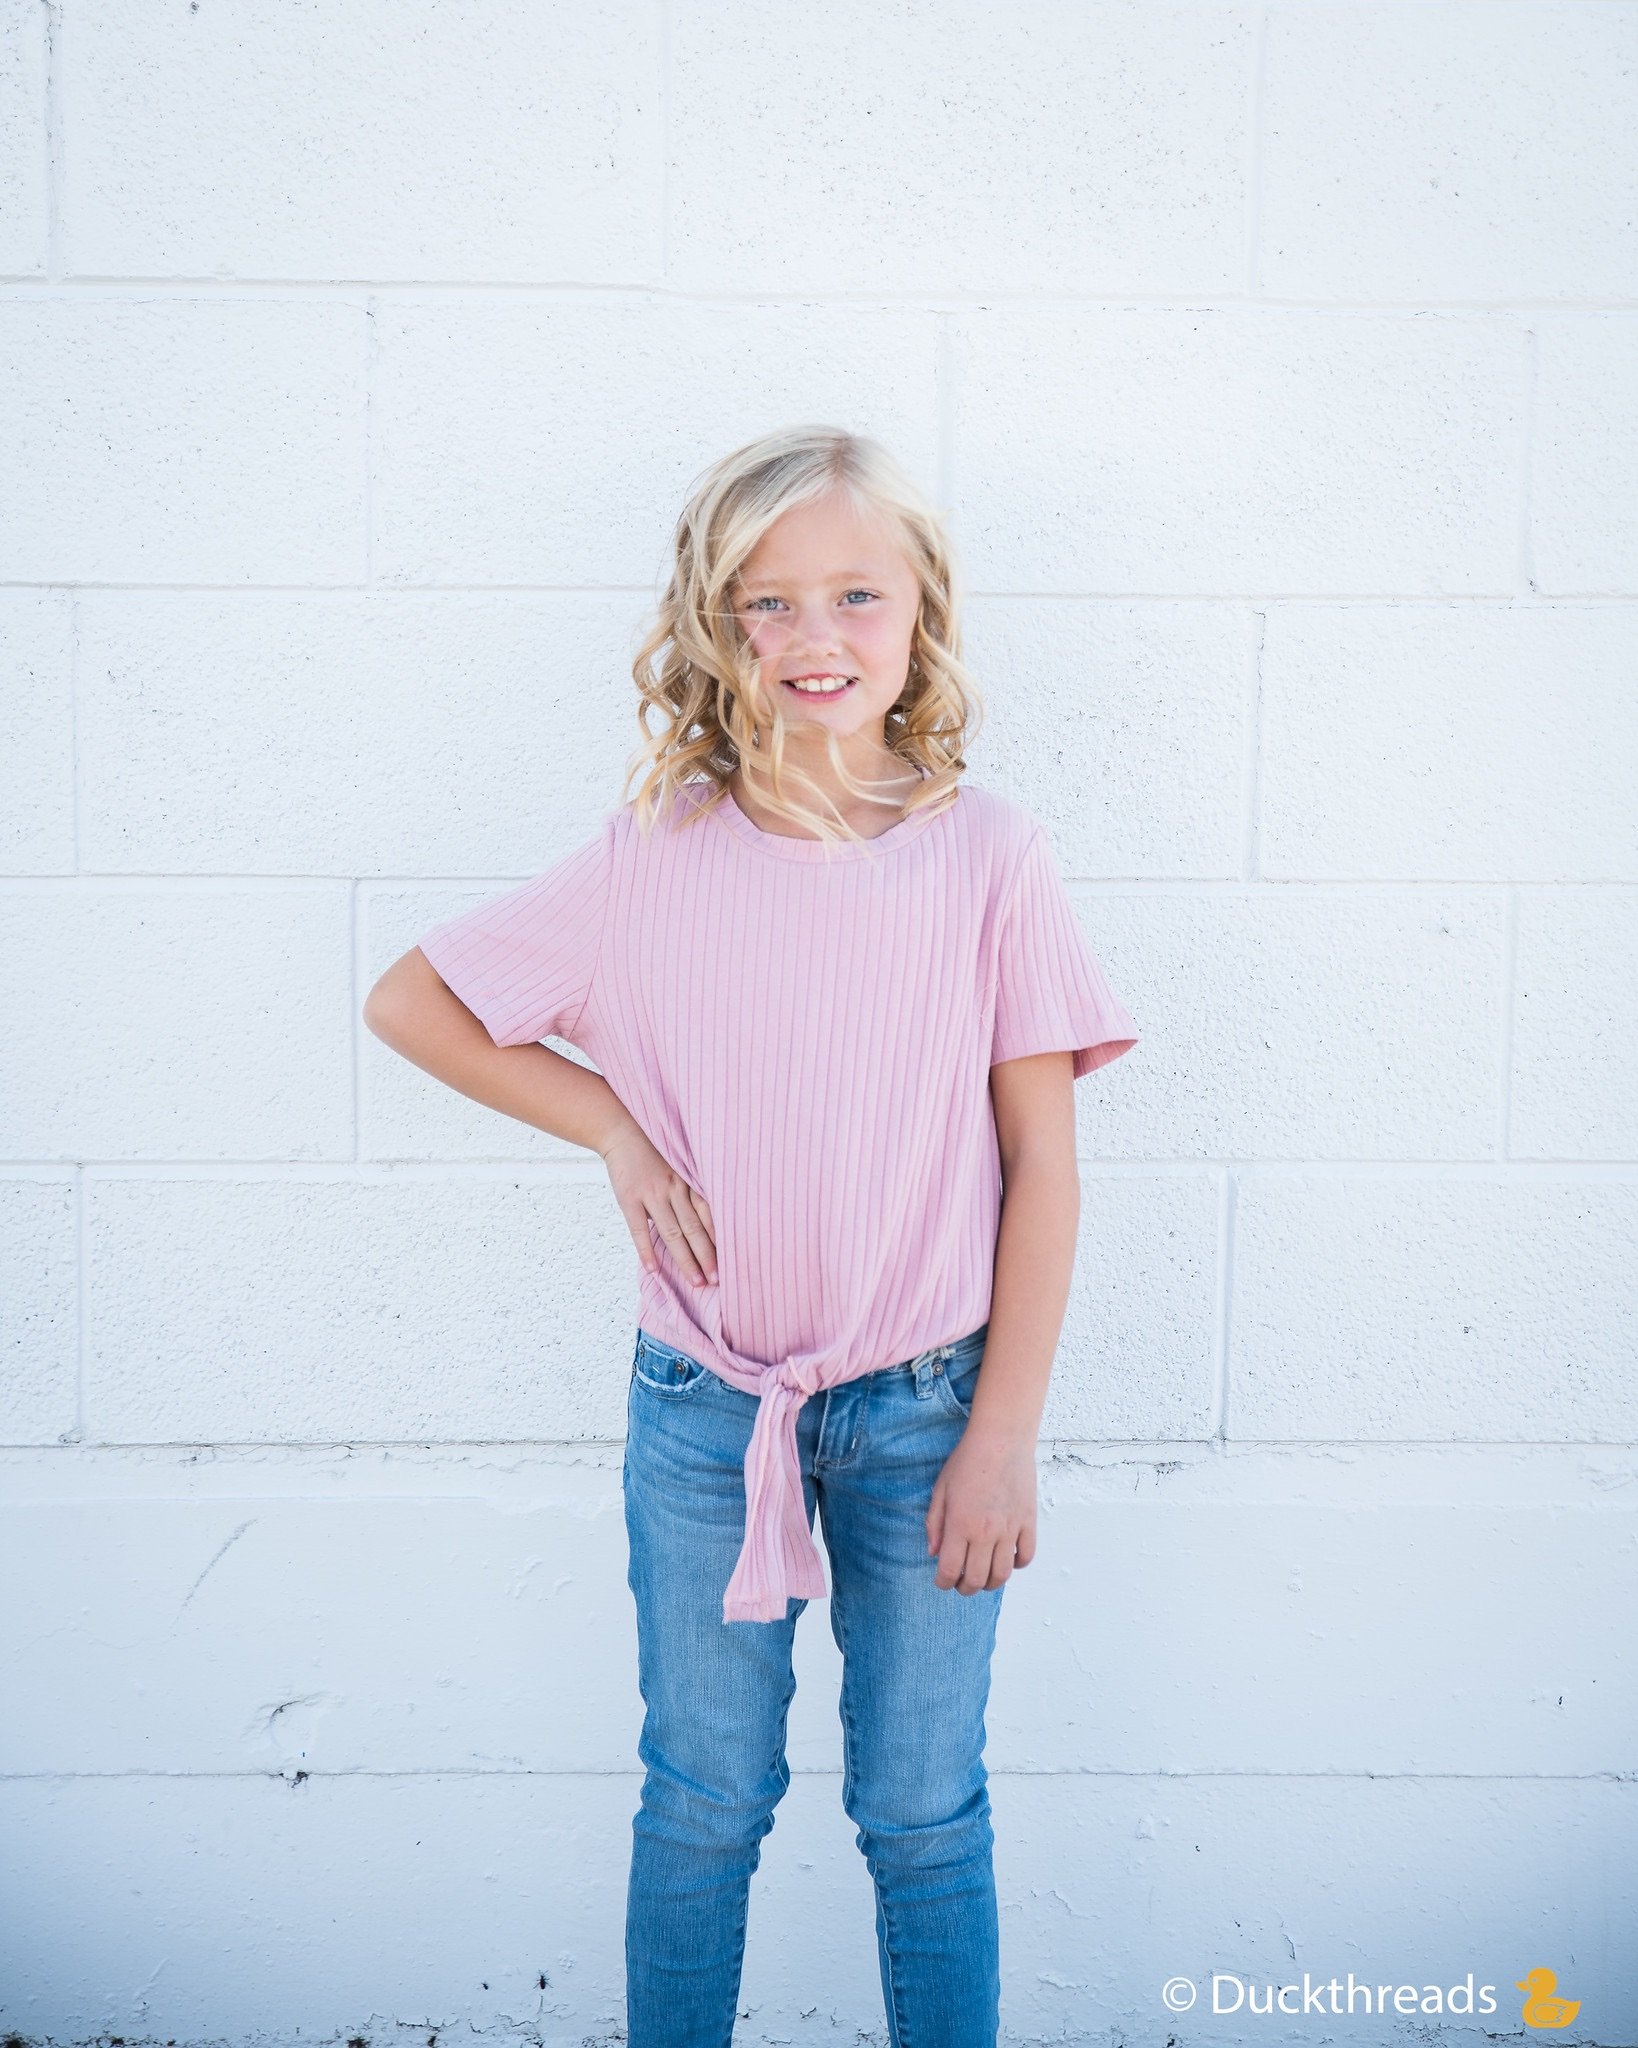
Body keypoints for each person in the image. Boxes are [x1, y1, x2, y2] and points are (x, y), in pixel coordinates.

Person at [363, 424, 1139, 2048]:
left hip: (930, 1413)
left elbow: (1044, 1170)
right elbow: (413, 1001)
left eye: (855, 595)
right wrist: (611, 1129)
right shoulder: (653, 850)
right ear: (713, 629)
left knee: (923, 1813)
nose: (812, 637)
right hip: (705, 1419)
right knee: (702, 1799)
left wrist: (1002, 1436)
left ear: (921, 611)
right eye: (765, 602)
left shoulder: (986, 856)